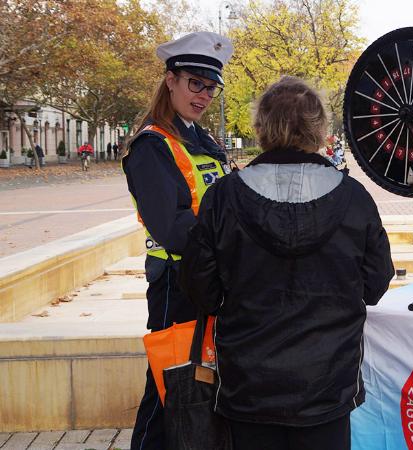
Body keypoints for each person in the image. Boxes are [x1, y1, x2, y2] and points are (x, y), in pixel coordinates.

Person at [179, 76, 394, 450]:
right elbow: (375, 284)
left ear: (261, 127)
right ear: (319, 129)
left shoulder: (223, 198)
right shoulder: (353, 198)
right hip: (327, 384)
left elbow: (201, 288)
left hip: (250, 382)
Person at [121, 31, 233, 450]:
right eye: (194, 83)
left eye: (210, 87)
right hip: (176, 282)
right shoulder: (151, 147)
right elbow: (172, 226)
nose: (203, 95)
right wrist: (231, 239)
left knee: (195, 392)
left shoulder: (200, 139)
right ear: (170, 79)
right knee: (168, 392)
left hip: (207, 280)